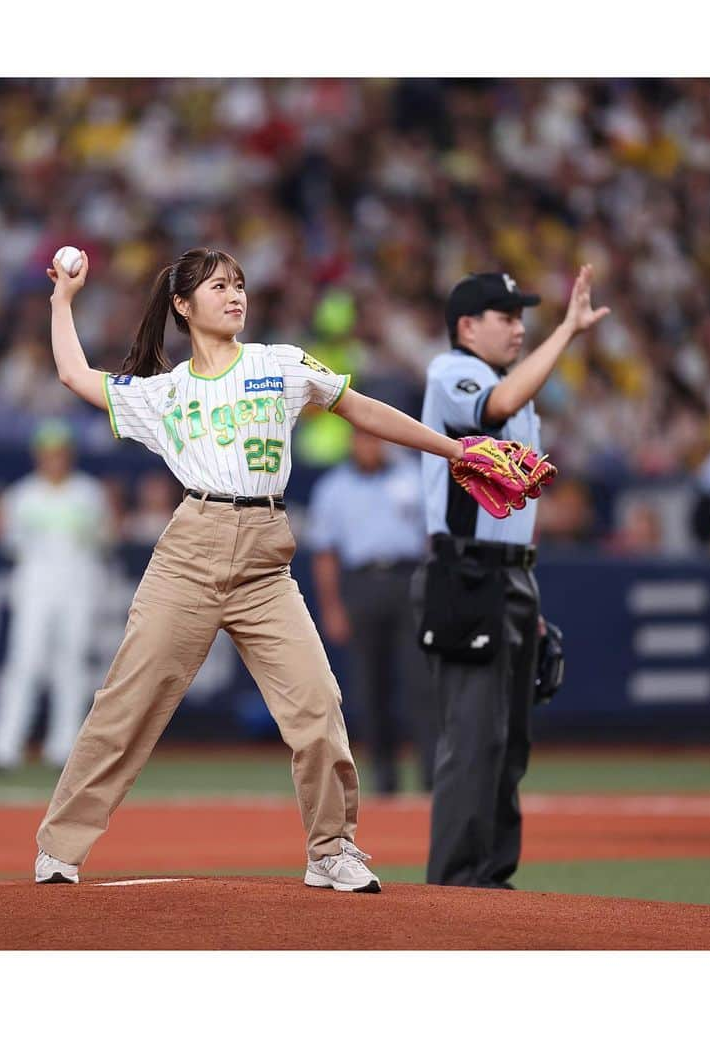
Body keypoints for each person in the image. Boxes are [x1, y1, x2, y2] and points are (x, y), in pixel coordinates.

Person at [33, 246, 521, 894]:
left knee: (319, 705)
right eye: (216, 287)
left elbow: (360, 408)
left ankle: (332, 849)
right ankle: (60, 848)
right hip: (191, 554)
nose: (234, 295)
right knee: (126, 706)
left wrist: (455, 449)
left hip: (266, 561)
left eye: (238, 284)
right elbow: (73, 374)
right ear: (182, 305)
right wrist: (62, 302)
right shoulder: (166, 392)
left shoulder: (280, 364)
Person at [417, 266, 609, 888]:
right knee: (473, 742)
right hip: (465, 572)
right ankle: (454, 885)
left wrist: (532, 598)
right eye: (507, 317)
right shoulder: (453, 372)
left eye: (522, 316)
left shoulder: (515, 386)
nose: (520, 327)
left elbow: (518, 502)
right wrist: (567, 334)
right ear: (467, 327)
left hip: (510, 576)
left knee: (509, 744)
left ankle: (493, 879)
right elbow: (495, 406)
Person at [306, 429, 436, 795]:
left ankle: (432, 776)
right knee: (370, 687)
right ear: (352, 443)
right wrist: (332, 607)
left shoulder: (410, 476)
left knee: (421, 684)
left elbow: (433, 537)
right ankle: (384, 778)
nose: (369, 446)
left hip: (408, 579)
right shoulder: (333, 488)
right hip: (361, 584)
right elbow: (325, 553)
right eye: (363, 439)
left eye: (375, 439)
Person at [0, 419, 111, 771]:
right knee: (25, 661)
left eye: (60, 452)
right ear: (38, 455)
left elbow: (103, 539)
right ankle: (3, 748)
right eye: (47, 453)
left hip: (79, 583)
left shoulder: (89, 493)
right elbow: (12, 545)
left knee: (71, 664)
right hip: (36, 584)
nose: (54, 459)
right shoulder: (21, 496)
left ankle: (64, 749)